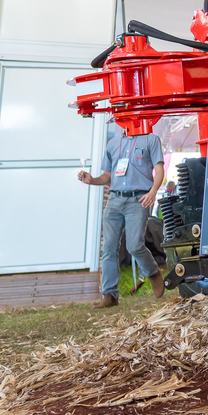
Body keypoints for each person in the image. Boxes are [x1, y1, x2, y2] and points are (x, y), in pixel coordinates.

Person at [78, 125, 166, 308]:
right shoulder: (113, 143)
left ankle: (153, 272)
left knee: (134, 246)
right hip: (114, 200)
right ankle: (109, 295)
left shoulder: (151, 139)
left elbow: (159, 170)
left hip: (139, 200)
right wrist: (92, 180)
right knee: (109, 249)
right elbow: (107, 176)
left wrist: (153, 192)